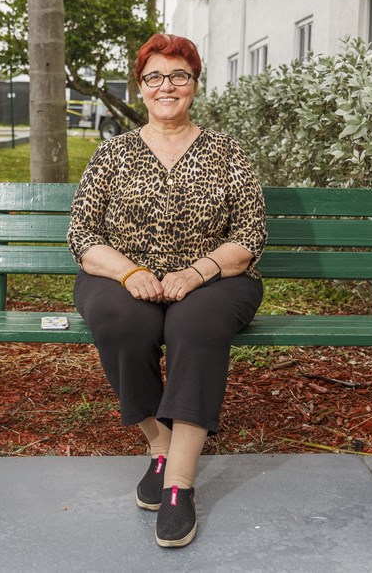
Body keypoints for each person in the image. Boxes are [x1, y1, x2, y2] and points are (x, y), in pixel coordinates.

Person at [67, 33, 267, 548]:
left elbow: (249, 236)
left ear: (195, 84)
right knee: (121, 322)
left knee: (194, 326)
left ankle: (178, 483)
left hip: (215, 280)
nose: (166, 86)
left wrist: (196, 273)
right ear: (140, 87)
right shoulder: (113, 154)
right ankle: (160, 443)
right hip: (123, 277)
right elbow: (83, 236)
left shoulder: (226, 152)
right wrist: (132, 273)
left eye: (179, 75)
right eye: (154, 76)